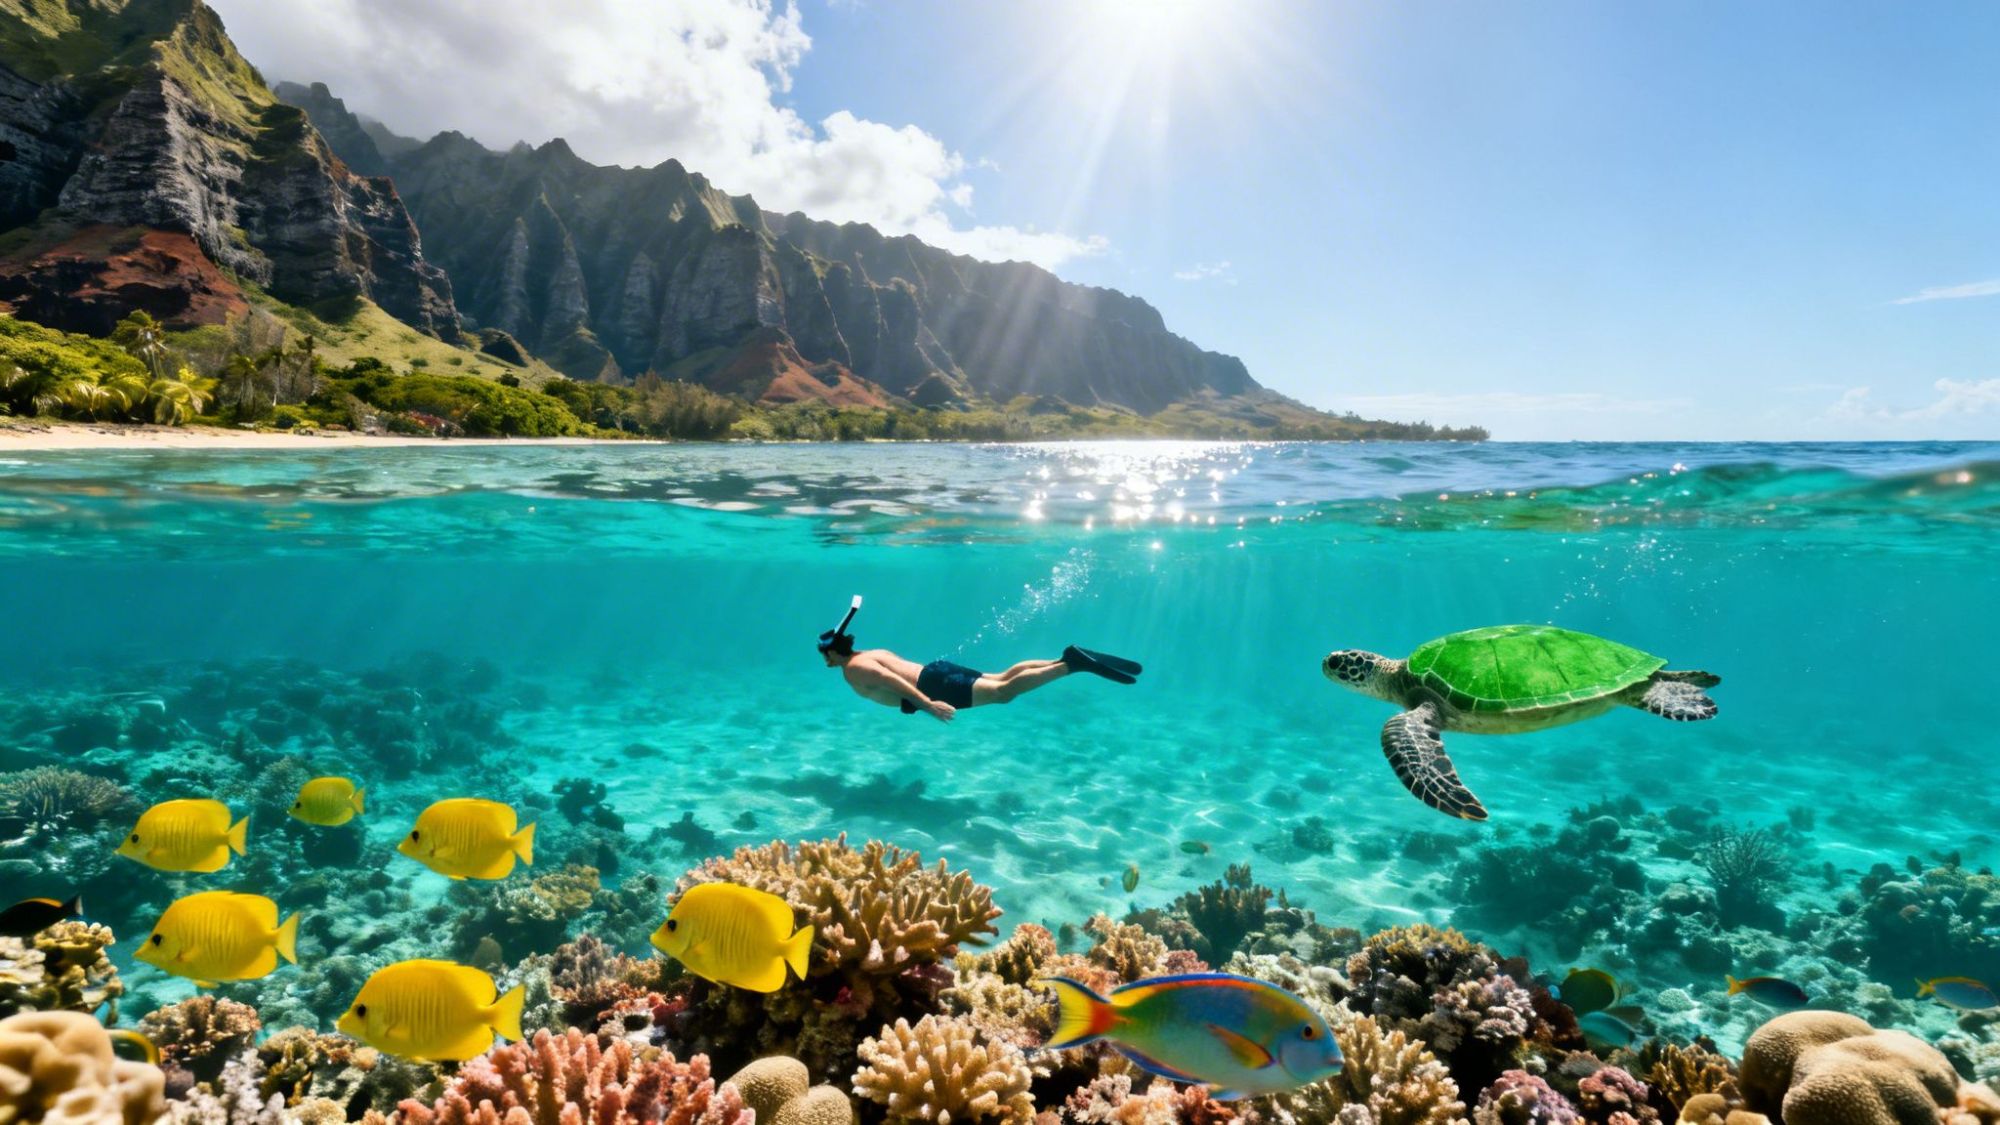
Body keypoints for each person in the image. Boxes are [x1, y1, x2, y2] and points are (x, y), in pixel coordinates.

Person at [816, 597, 1141, 722]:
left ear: (833, 651)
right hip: (936, 671)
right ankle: (1064, 658)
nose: (825, 661)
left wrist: (928, 705)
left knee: (1003, 692)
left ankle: (1072, 665)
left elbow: (892, 681)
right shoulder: (873, 652)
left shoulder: (854, 668)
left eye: (825, 656)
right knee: (1002, 677)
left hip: (931, 686)